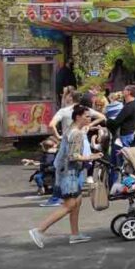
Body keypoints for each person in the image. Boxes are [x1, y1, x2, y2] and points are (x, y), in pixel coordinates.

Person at [29, 105, 102, 248]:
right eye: (87, 116)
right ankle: (39, 230)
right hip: (69, 172)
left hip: (68, 170)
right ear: (78, 117)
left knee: (78, 201)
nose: (89, 118)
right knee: (69, 205)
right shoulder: (77, 134)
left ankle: (75, 234)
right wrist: (92, 156)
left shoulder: (70, 129)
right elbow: (73, 156)